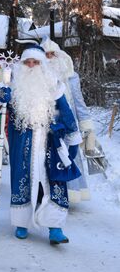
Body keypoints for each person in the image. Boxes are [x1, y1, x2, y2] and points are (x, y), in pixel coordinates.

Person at [0, 44, 82, 245]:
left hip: (50, 143)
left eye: (35, 62)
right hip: (22, 143)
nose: (31, 65)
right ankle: (22, 224)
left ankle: (55, 228)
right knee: (22, 179)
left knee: (54, 181)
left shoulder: (54, 84)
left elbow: (66, 111)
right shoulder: (14, 86)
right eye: (27, 62)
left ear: (42, 64)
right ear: (22, 64)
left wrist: (73, 137)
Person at [41, 38, 95, 203]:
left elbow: (79, 103)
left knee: (68, 158)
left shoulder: (71, 77)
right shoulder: (37, 75)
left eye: (53, 54)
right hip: (45, 125)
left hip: (67, 126)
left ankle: (69, 193)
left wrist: (87, 128)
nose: (50, 58)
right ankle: (47, 194)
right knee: (45, 160)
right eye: (46, 55)